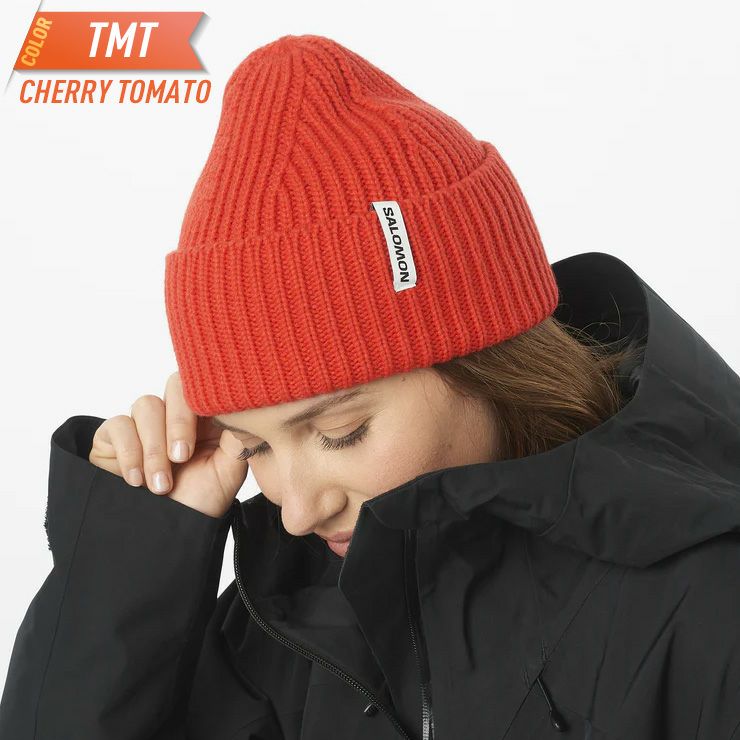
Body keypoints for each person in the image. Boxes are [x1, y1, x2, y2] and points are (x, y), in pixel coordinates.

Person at [1, 33, 739, 740]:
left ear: (488, 363)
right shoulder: (285, 623)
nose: (297, 512)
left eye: (339, 432)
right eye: (254, 447)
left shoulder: (712, 608)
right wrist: (131, 561)